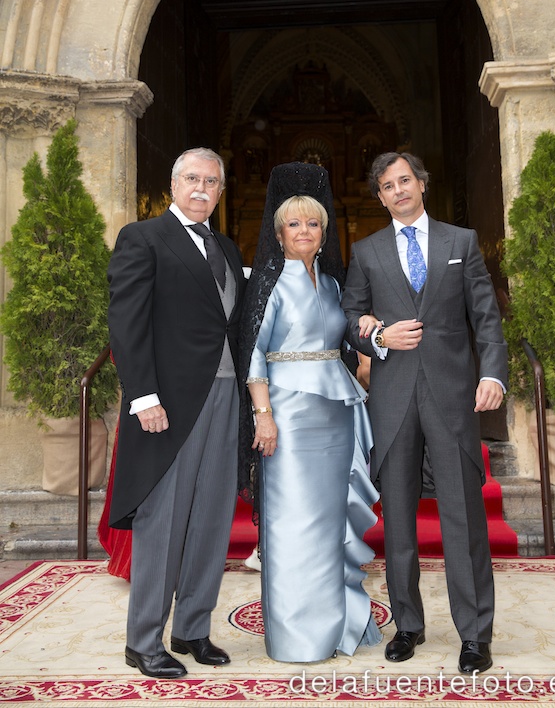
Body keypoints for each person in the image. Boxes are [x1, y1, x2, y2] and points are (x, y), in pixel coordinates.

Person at [341, 151, 508, 675]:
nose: (398, 190)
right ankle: (408, 625)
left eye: (405, 180)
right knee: (399, 527)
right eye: (387, 185)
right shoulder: (365, 251)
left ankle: (475, 635)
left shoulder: (461, 242)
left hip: (453, 395)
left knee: (462, 517)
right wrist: (377, 336)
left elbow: (485, 315)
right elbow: (348, 318)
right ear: (380, 195)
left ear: (421, 184)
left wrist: (493, 373)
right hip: (391, 398)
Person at [107, 147, 246, 680]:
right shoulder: (143, 238)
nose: (202, 189)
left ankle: (192, 628)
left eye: (212, 182)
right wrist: (143, 397)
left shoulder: (227, 248)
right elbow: (127, 321)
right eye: (192, 178)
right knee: (161, 524)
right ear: (173, 184)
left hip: (225, 399)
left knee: (211, 520)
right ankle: (143, 641)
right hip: (166, 406)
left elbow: (232, 326)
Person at [238, 162, 382, 663]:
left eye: (313, 224)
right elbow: (254, 354)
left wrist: (373, 335)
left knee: (328, 521)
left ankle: (338, 627)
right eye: (294, 224)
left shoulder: (335, 284)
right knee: (291, 523)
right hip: (287, 415)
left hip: (336, 413)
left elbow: (347, 339)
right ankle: (296, 636)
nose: (304, 231)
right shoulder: (268, 283)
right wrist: (263, 415)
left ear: (324, 233)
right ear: (279, 233)